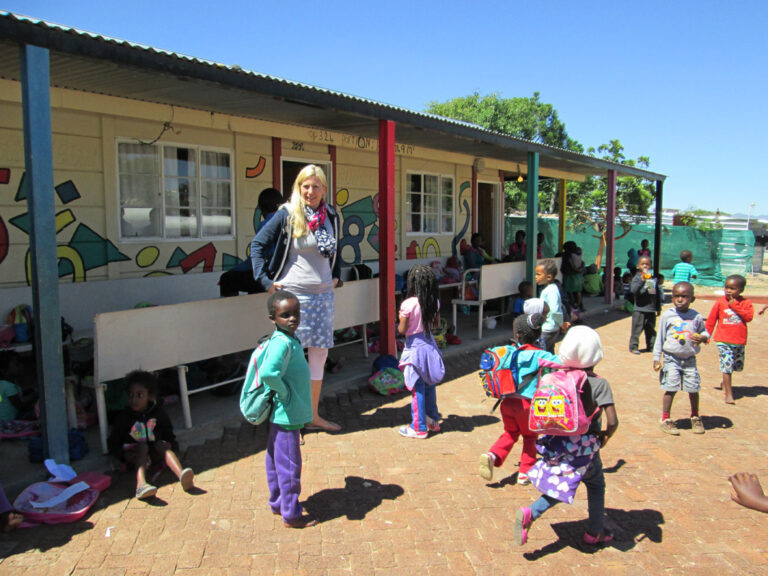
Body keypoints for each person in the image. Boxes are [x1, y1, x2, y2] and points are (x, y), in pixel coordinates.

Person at [250, 165, 343, 432]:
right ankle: (287, 415)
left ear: (324, 189)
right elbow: (257, 245)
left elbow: (337, 249)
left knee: (319, 356)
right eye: (305, 186)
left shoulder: (332, 216)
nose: (310, 191)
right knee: (289, 356)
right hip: (293, 297)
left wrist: (336, 276)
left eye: (315, 186)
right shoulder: (287, 215)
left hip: (323, 295)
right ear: (298, 188)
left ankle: (312, 415)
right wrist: (266, 282)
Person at [515, 326, 619, 547]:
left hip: (558, 442)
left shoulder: (556, 377)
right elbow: (613, 421)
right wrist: (605, 435)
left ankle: (531, 513)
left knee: (564, 482)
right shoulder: (599, 384)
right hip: (586, 447)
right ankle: (594, 532)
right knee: (595, 485)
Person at [478, 312, 556, 485]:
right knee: (529, 437)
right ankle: (525, 472)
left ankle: (493, 455)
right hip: (527, 405)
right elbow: (560, 363)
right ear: (538, 335)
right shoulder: (540, 355)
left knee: (510, 433)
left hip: (507, 403)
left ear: (517, 335)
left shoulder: (510, 352)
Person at [261, 290, 316, 528]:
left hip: (283, 414)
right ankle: (291, 514)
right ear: (273, 318)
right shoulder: (282, 343)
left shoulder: (286, 339)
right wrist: (284, 393)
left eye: (296, 313)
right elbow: (267, 373)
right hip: (287, 416)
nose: (293, 319)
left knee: (275, 460)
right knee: (290, 465)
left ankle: (278, 503)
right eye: (285, 315)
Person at [108, 370, 194, 500]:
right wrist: (123, 455)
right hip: (135, 457)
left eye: (139, 395)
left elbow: (168, 432)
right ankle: (141, 484)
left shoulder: (158, 414)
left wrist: (173, 447)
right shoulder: (124, 418)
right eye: (130, 395)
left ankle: (181, 474)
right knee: (142, 447)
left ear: (150, 396)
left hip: (154, 455)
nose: (134, 400)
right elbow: (113, 442)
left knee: (161, 445)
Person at [653, 282, 709, 435]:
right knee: (670, 388)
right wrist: (657, 358)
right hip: (672, 358)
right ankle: (666, 418)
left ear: (692, 299)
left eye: (684, 296)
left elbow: (705, 332)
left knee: (693, 388)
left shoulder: (696, 317)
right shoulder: (668, 315)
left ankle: (695, 416)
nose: (679, 299)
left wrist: (703, 338)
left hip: (689, 359)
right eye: (676, 296)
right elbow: (660, 338)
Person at [397, 265, 445, 439]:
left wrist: (401, 318)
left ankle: (419, 427)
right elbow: (436, 324)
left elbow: (402, 329)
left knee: (417, 388)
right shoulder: (434, 301)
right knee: (429, 385)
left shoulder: (407, 304)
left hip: (414, 349)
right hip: (430, 345)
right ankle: (432, 421)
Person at [219, 187, 283, 297]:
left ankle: (230, 312)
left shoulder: (266, 224)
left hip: (271, 277)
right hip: (286, 275)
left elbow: (255, 259)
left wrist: (233, 270)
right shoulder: (289, 221)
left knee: (227, 279)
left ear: (262, 209)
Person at [705, 274, 754, 405]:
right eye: (726, 287)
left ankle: (725, 382)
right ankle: (729, 393)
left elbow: (749, 317)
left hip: (738, 340)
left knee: (736, 366)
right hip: (723, 340)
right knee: (726, 366)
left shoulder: (746, 303)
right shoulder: (720, 302)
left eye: (733, 288)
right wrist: (706, 335)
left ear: (741, 290)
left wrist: (735, 306)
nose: (728, 291)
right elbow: (711, 320)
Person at [628, 256, 661, 354]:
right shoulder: (637, 278)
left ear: (650, 266)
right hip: (639, 309)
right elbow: (633, 291)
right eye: (643, 264)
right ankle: (633, 347)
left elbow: (654, 294)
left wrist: (658, 307)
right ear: (638, 266)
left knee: (650, 329)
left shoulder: (652, 278)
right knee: (636, 330)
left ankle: (651, 346)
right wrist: (642, 280)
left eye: (647, 264)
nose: (645, 266)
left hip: (650, 309)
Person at [535, 260, 564, 353]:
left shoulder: (550, 291)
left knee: (542, 353)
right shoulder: (549, 289)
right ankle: (552, 367)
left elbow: (555, 310)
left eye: (538, 274)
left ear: (549, 277)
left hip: (547, 328)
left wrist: (561, 324)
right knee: (550, 351)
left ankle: (548, 367)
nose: (536, 277)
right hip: (552, 328)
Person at [560, 241, 585, 311]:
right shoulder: (578, 254)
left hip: (569, 275)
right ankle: (580, 305)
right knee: (578, 291)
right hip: (578, 276)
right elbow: (582, 263)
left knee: (569, 291)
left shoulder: (567, 255)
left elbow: (570, 264)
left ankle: (573, 305)